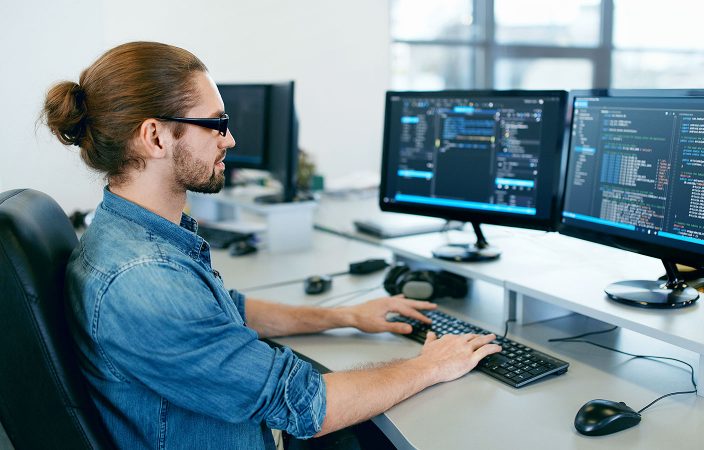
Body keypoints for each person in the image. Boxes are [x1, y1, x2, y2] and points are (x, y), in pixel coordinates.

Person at [42, 41, 501, 450]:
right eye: (216, 124)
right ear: (155, 136)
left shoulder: (130, 233)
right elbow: (307, 406)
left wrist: (345, 317)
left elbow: (225, 312)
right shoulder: (143, 278)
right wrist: (431, 364)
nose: (231, 138)